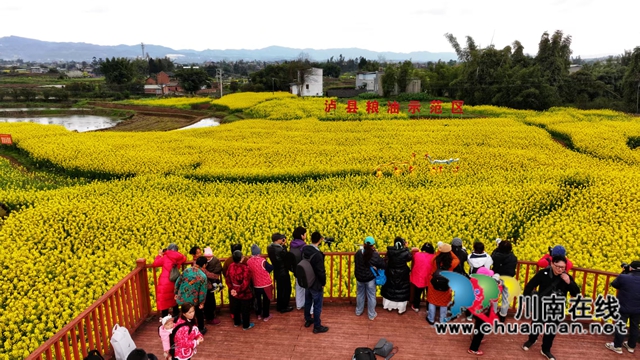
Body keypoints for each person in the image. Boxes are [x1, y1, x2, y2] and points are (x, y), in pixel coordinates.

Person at [522, 255, 580, 360]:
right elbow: (530, 286)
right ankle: (532, 339)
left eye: (563, 267)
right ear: (552, 264)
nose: (560, 269)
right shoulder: (543, 274)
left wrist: (569, 282)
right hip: (541, 305)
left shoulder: (566, 277)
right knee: (537, 323)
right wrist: (526, 299)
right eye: (558, 266)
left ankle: (545, 349)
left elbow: (576, 293)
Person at [605, 260, 640, 354]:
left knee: (621, 325)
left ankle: (617, 346)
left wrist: (624, 272)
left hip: (623, 307)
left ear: (631, 268)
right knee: (634, 326)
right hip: (638, 309)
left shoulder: (624, 277)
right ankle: (631, 346)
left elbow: (614, 284)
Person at [468, 267, 504, 356]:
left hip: (473, 307)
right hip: (483, 310)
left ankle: (476, 338)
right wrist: (499, 286)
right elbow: (495, 298)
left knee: (478, 324)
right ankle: (473, 348)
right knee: (481, 328)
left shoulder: (473, 281)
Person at [427, 243, 460, 325]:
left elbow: (435, 256)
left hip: (434, 281)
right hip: (447, 283)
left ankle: (431, 319)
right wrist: (449, 251)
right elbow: (457, 259)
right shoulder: (452, 262)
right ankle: (442, 320)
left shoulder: (435, 260)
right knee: (444, 303)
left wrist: (440, 250)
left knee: (432, 300)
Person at [354, 236, 386, 320]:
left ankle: (358, 311)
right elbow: (382, 265)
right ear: (373, 245)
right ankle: (371, 315)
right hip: (370, 279)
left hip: (360, 278)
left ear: (364, 244)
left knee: (360, 294)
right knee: (371, 296)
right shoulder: (374, 254)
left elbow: (356, 262)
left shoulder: (358, 253)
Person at [303, 231, 328, 333]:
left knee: (308, 302)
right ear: (319, 240)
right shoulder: (317, 254)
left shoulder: (304, 250)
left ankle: (308, 319)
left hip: (307, 281)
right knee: (317, 305)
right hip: (316, 283)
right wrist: (323, 283)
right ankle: (317, 326)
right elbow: (320, 271)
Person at [175, 256, 208, 335]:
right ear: (204, 265)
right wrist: (202, 302)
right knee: (198, 313)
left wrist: (176, 293)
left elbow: (178, 282)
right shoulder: (202, 276)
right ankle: (200, 328)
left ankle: (182, 328)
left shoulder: (186, 270)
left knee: (183, 313)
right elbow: (202, 292)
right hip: (193, 301)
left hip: (182, 298)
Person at [152, 243, 186, 319]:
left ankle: (165, 317)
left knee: (164, 299)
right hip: (175, 280)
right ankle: (176, 315)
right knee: (174, 297)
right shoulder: (179, 258)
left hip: (165, 281)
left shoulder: (165, 257)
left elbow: (155, 263)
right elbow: (184, 258)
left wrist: (159, 255)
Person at [381, 237, 414, 314]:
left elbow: (387, 258)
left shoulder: (390, 251)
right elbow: (409, 257)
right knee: (401, 289)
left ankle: (389, 306)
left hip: (391, 272)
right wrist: (406, 248)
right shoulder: (405, 252)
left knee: (391, 287)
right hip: (402, 273)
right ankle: (400, 308)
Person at [228, 249, 255, 330]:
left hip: (234, 291)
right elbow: (246, 283)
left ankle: (237, 322)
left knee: (236, 307)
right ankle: (246, 325)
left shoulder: (230, 266)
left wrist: (232, 289)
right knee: (245, 309)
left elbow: (227, 278)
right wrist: (238, 290)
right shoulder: (246, 268)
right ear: (241, 258)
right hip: (244, 292)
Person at [491, 239, 517, 322]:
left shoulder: (496, 256)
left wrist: (497, 247)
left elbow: (493, 255)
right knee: (506, 297)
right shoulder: (513, 257)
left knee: (494, 296)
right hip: (508, 278)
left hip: (497, 277)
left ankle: (494, 313)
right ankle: (503, 315)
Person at [247, 244, 274, 322]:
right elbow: (270, 268)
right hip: (265, 284)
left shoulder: (249, 261)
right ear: (259, 252)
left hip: (256, 285)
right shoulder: (262, 260)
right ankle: (266, 316)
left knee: (258, 300)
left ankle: (258, 314)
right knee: (266, 300)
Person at [268, 233, 294, 313]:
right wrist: (284, 246)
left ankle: (279, 306)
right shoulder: (280, 249)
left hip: (277, 271)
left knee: (280, 289)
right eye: (281, 239)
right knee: (286, 289)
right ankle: (284, 307)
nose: (282, 240)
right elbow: (286, 256)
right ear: (277, 240)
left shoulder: (269, 247)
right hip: (283, 272)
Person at [410, 243, 435, 312]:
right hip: (429, 278)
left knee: (417, 293)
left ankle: (416, 306)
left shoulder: (417, 254)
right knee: (429, 294)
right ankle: (428, 308)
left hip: (419, 278)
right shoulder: (434, 257)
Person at [200, 247, 222, 326]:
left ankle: (209, 315)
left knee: (209, 300)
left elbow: (218, 270)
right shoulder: (202, 264)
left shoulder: (215, 261)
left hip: (210, 284)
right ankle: (210, 317)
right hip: (207, 285)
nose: (208, 258)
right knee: (209, 301)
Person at [289, 226, 308, 310]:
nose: (306, 235)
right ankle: (305, 304)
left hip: (295, 268)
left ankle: (299, 304)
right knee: (305, 286)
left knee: (298, 285)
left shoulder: (292, 244)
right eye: (305, 234)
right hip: (303, 268)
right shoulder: (303, 246)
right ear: (301, 236)